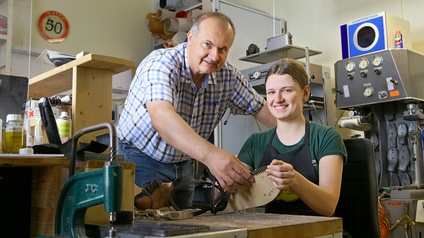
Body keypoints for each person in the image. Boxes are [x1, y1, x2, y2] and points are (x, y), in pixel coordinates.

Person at [116, 12, 276, 210]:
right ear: (190, 38)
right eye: (207, 44)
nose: (215, 56)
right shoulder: (161, 63)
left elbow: (262, 109)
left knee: (182, 228)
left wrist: (309, 138)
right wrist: (212, 157)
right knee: (143, 227)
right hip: (141, 158)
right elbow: (162, 119)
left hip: (185, 164)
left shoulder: (228, 77)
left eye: (223, 49)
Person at [237, 58, 347, 216]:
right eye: (271, 92)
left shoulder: (326, 137)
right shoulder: (255, 142)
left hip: (318, 231)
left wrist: (294, 179)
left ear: (305, 92)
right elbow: (234, 194)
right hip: (270, 230)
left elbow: (328, 206)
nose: (278, 99)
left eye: (287, 90)